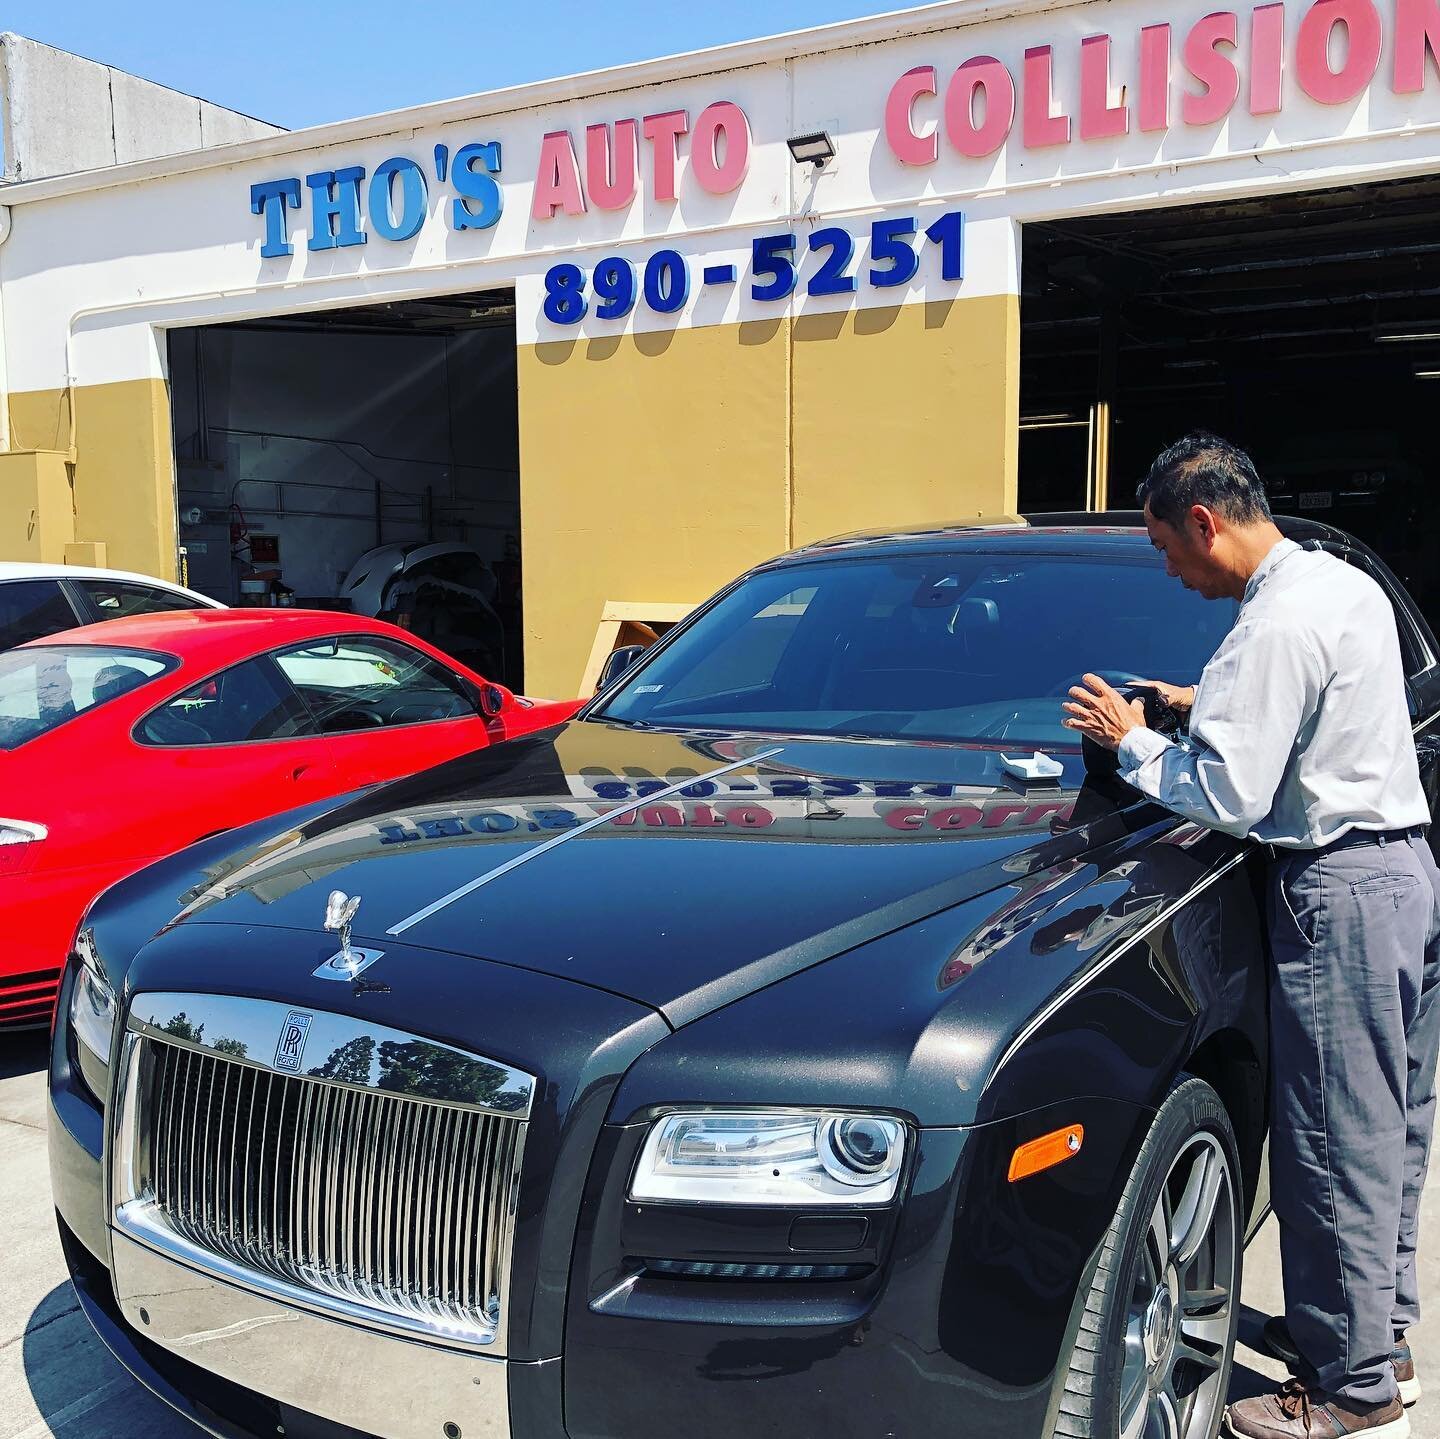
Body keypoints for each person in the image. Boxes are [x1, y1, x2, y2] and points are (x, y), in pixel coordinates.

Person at [1062, 432, 1440, 1439]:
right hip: (1401, 872)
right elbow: (1326, 706)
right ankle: (1381, 1329)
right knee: (1390, 1124)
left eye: (1167, 551)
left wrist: (1130, 736)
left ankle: (1351, 1386)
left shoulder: (1269, 629)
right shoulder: (1337, 582)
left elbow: (1228, 792)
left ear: (1204, 522)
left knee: (1328, 1137)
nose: (1172, 573)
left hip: (1338, 890)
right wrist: (1200, 701)